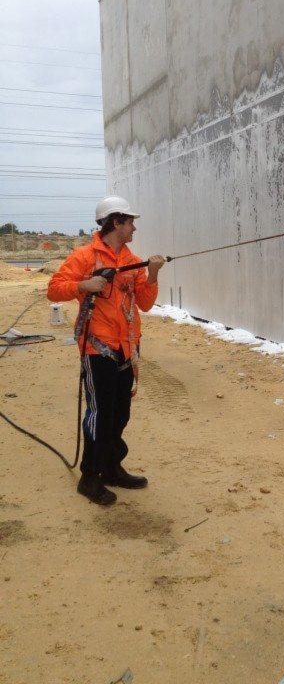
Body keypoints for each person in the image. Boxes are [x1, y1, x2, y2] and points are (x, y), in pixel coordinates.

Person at [47, 196, 165, 506]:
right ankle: (89, 477)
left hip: (127, 348)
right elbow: (54, 289)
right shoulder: (84, 257)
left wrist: (152, 274)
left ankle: (111, 468)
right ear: (116, 222)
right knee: (99, 415)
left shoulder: (131, 260)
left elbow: (145, 303)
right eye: (130, 222)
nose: (134, 228)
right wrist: (84, 285)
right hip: (98, 349)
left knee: (119, 413)